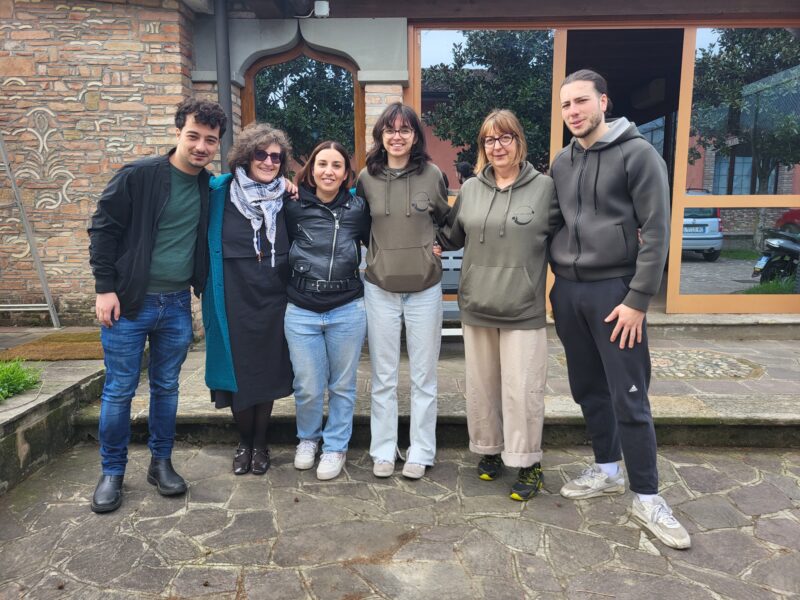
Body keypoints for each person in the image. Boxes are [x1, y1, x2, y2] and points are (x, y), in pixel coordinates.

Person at [550, 69, 690, 549]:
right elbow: (551, 223)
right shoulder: (562, 162)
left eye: (581, 101)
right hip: (568, 292)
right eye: (566, 104)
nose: (573, 112)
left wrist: (638, 300)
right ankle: (607, 470)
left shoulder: (639, 154)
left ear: (603, 102)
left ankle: (648, 497)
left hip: (616, 294)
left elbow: (657, 230)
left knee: (629, 395)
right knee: (587, 388)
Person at [87, 98, 227, 513]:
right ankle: (112, 471)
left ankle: (160, 463)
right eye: (193, 136)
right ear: (178, 132)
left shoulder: (208, 185)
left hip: (177, 304)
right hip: (129, 303)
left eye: (210, 140)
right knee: (119, 390)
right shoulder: (139, 175)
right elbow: (103, 229)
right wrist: (104, 289)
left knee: (166, 387)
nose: (201, 146)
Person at [441, 109, 561, 501]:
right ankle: (489, 450)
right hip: (478, 305)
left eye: (505, 137)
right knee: (483, 387)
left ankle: (528, 462)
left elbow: (568, 236)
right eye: (489, 140)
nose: (497, 147)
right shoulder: (472, 189)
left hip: (522, 309)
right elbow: (451, 235)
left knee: (522, 389)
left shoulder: (544, 188)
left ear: (518, 141)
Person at [356, 102, 450, 479]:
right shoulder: (366, 177)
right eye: (390, 130)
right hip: (380, 288)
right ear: (380, 135)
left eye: (405, 130)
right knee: (384, 376)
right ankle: (383, 449)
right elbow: (359, 226)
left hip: (425, 289)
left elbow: (447, 220)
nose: (397, 136)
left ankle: (421, 450)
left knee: (424, 376)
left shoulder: (432, 174)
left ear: (415, 137)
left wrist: (438, 244)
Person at [202, 123, 295, 477]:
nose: (269, 162)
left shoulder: (287, 196)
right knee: (238, 372)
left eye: (276, 157)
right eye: (261, 154)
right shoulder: (219, 193)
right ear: (245, 156)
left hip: (273, 298)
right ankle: (244, 442)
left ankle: (260, 443)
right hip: (233, 296)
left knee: (265, 371)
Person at [284, 141, 371, 481]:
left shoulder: (358, 208)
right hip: (302, 309)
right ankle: (308, 439)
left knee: (342, 385)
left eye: (337, 165)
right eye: (322, 164)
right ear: (311, 169)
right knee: (307, 384)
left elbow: (378, 241)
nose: (329, 171)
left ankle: (335, 446)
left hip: (347, 308)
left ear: (346, 173)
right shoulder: (292, 206)